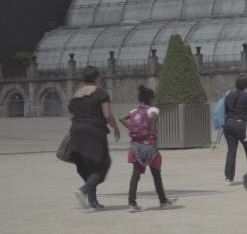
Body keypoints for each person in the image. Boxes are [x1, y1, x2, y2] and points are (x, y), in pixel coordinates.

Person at [69, 66, 120, 210]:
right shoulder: (101, 92)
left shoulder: (76, 94)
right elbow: (107, 115)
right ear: (97, 77)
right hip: (94, 132)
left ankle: (93, 203)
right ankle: (83, 191)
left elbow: (72, 116)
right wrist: (116, 127)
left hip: (76, 131)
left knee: (88, 167)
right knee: (103, 164)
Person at [120, 84, 174, 212]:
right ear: (151, 99)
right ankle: (163, 201)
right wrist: (153, 130)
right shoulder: (153, 109)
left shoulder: (134, 111)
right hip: (149, 145)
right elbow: (154, 117)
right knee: (156, 174)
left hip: (136, 146)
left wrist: (132, 128)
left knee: (135, 175)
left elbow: (120, 118)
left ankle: (132, 203)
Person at [223, 74, 247, 186]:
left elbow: (226, 110)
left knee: (231, 151)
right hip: (242, 125)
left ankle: (229, 178)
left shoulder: (228, 96)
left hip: (229, 124)